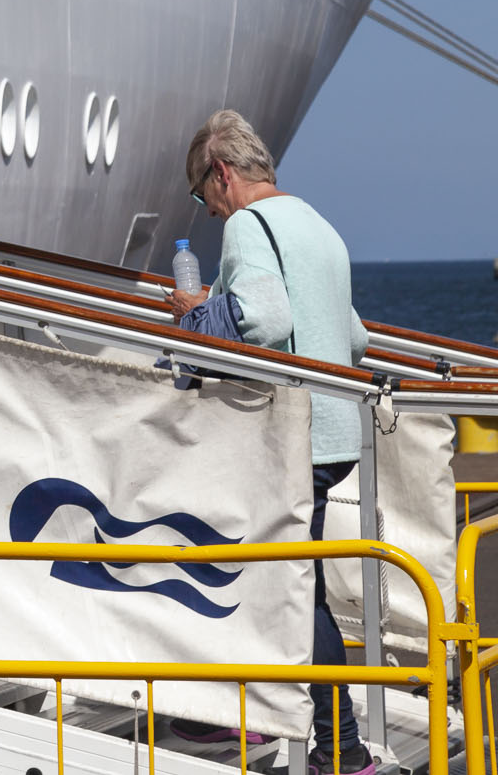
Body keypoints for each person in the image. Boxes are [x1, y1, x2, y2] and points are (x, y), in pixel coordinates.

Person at [167, 109, 371, 775]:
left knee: (272, 579)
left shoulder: (249, 225)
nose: (208, 210)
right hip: (334, 432)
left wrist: (193, 314)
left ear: (222, 173)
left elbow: (263, 316)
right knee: (272, 574)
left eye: (202, 194)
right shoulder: (317, 224)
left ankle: (332, 747)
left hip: (289, 434)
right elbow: (356, 338)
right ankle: (243, 720)